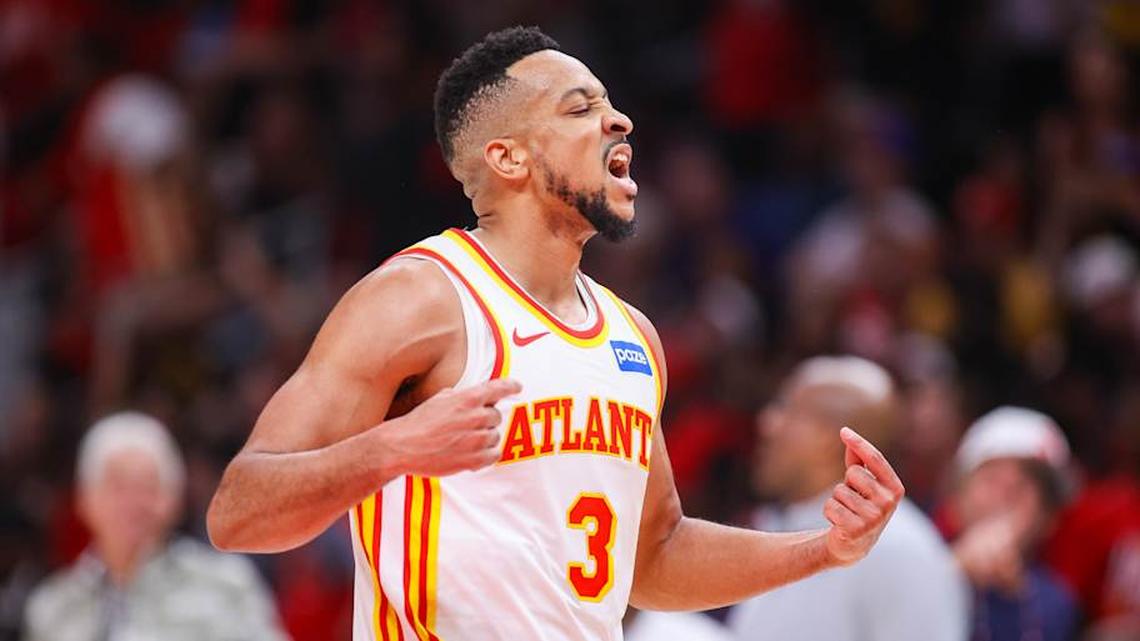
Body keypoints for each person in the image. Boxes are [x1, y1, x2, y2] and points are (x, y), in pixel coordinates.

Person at [206, 27, 906, 641]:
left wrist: (824, 549)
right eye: (582, 108)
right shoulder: (419, 297)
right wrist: (391, 449)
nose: (619, 121)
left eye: (609, 104)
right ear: (508, 158)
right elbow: (238, 512)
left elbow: (655, 557)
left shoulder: (633, 336)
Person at [728, 356, 968, 641]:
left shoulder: (900, 547)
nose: (767, 424)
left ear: (831, 438)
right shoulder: (777, 523)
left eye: (789, 410)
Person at [22, 412, 287, 641]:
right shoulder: (53, 607)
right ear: (84, 500)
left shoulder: (225, 584)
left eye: (148, 486)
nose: (133, 502)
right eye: (117, 485)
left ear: (175, 499)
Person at [947, 407, 1079, 641]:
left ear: (1049, 517)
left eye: (1026, 484)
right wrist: (950, 574)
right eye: (992, 478)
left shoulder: (1058, 602)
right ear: (958, 500)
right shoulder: (912, 563)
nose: (1006, 494)